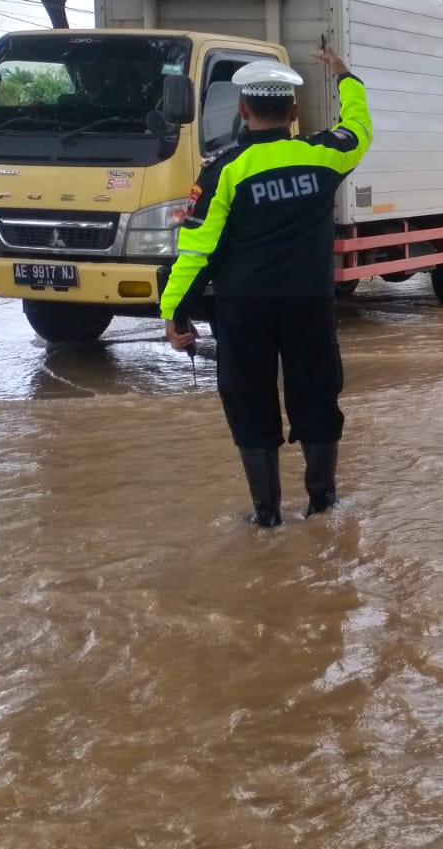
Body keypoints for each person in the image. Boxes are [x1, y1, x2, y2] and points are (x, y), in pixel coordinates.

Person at [161, 44, 373, 527]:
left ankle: (267, 518)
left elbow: (195, 252)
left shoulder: (222, 171)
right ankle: (323, 507)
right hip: (310, 305)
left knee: (249, 400)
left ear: (242, 109)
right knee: (317, 395)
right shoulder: (325, 155)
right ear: (293, 111)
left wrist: (174, 313)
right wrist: (345, 76)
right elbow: (360, 128)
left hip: (243, 309)